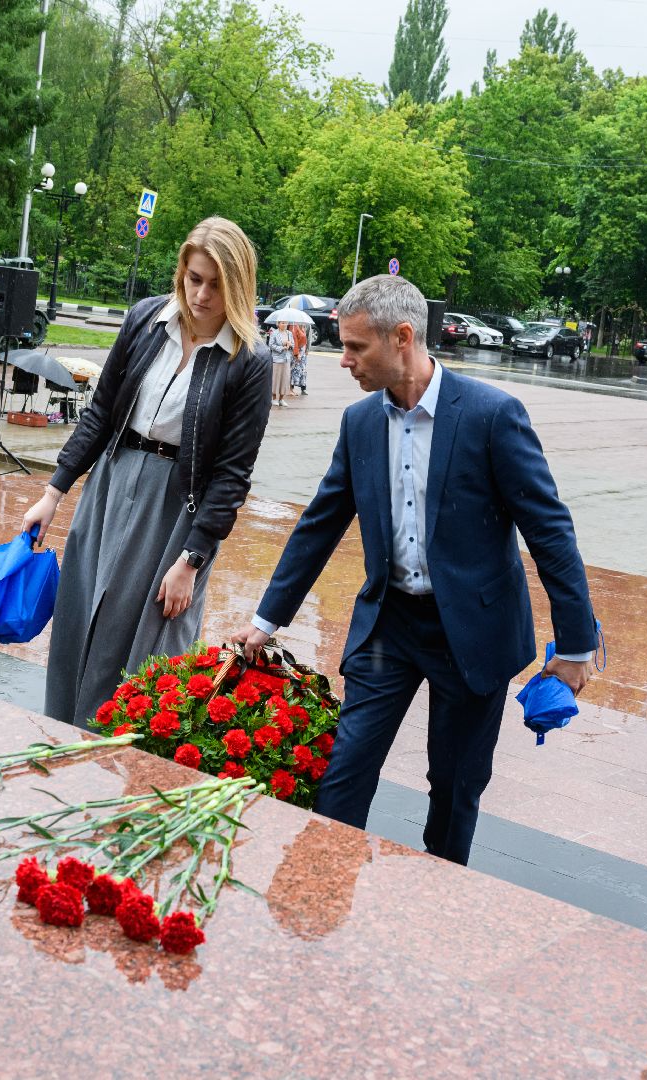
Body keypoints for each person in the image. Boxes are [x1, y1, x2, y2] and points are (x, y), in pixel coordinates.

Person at [234, 273, 598, 866]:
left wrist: (577, 644)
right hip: (391, 626)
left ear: (402, 337)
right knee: (346, 768)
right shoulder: (359, 422)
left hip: (472, 634)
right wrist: (265, 620)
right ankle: (321, 882)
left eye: (355, 347)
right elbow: (320, 523)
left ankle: (437, 897)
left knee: (454, 788)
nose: (343, 360)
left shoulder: (491, 415)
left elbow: (549, 531)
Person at [27, 217, 271, 729]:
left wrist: (193, 558)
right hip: (112, 481)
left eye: (216, 284)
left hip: (177, 505)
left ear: (238, 285)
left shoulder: (248, 359)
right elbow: (101, 412)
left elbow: (232, 474)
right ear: (181, 272)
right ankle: (65, 729)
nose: (201, 295)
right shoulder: (146, 319)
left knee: (147, 632)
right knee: (83, 610)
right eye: (194, 279)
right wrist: (53, 492)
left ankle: (124, 744)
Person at [267, 321, 294, 407]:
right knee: (276, 379)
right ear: (278, 324)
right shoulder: (274, 333)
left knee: (285, 379)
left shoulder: (289, 333)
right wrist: (282, 347)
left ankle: (281, 399)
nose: (284, 324)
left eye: (285, 323)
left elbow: (293, 344)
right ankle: (274, 398)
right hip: (277, 360)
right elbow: (271, 345)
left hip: (286, 359)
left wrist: (290, 345)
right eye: (282, 323)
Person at [289, 321, 309, 396]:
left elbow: (308, 338)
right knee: (294, 370)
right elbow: (294, 340)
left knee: (303, 370)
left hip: (303, 352)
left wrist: (307, 350)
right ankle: (291, 389)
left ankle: (303, 388)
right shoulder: (293, 325)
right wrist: (296, 353)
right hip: (297, 351)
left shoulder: (306, 325)